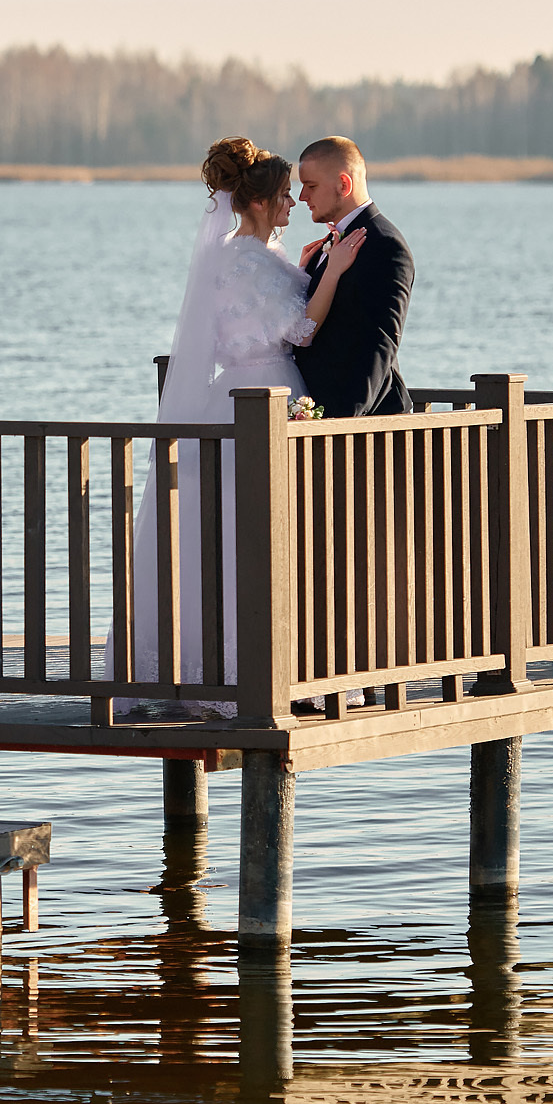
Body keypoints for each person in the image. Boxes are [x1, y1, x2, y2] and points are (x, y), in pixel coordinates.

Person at [124, 137, 363, 708]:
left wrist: (307, 268)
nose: (291, 205)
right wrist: (336, 271)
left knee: (279, 534)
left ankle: (283, 659)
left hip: (264, 394)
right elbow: (300, 330)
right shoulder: (241, 259)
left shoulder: (263, 257)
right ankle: (238, 667)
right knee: (244, 535)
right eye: (284, 196)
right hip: (255, 397)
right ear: (257, 203)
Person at [292, 136, 414, 417]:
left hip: (360, 422)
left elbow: (380, 341)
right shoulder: (329, 245)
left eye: (310, 186)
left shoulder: (385, 245)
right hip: (319, 412)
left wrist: (346, 418)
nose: (302, 197)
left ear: (343, 185)